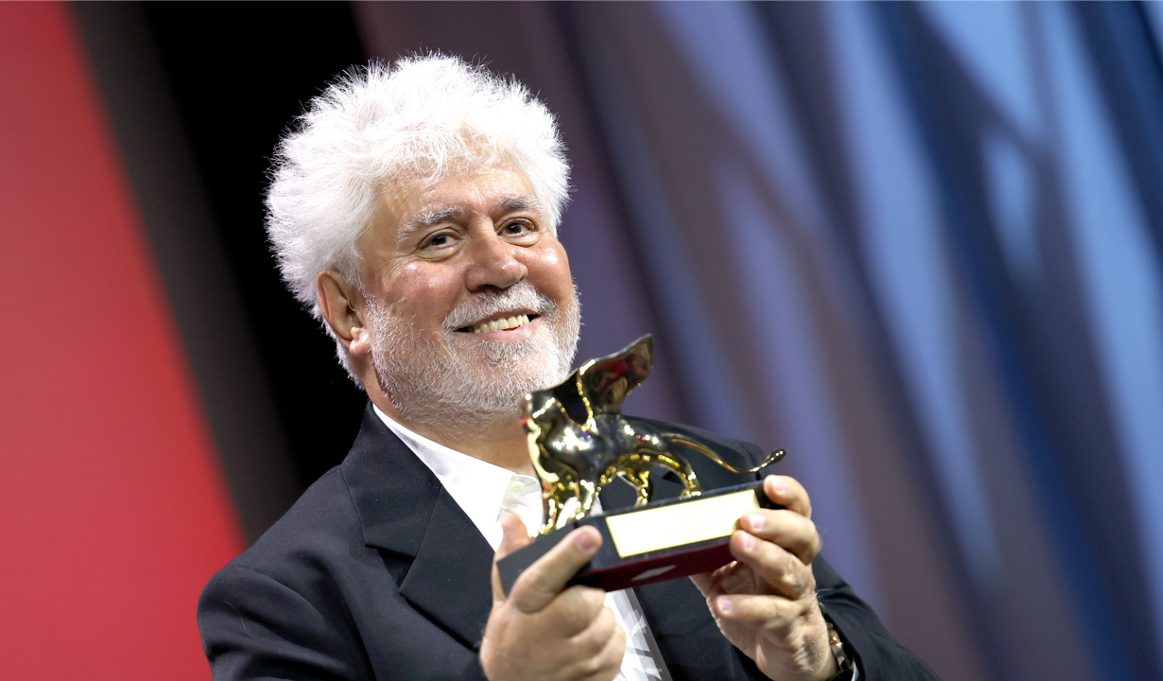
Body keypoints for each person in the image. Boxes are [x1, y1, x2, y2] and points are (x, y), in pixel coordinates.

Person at [198, 55, 938, 681]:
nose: (499, 265)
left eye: (520, 225)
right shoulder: (290, 598)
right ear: (350, 311)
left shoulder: (712, 475)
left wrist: (816, 658)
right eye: (440, 240)